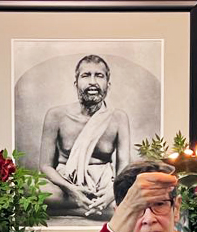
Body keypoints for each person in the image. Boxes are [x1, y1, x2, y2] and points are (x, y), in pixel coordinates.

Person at [38, 55, 132, 220]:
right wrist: (71, 190)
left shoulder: (118, 118)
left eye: (99, 76)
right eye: (86, 75)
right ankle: (94, 210)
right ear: (76, 84)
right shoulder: (56, 115)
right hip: (65, 185)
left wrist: (111, 193)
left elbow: (124, 167)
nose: (92, 82)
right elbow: (45, 166)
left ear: (108, 85)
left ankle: (69, 209)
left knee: (133, 194)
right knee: (26, 188)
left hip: (103, 186)